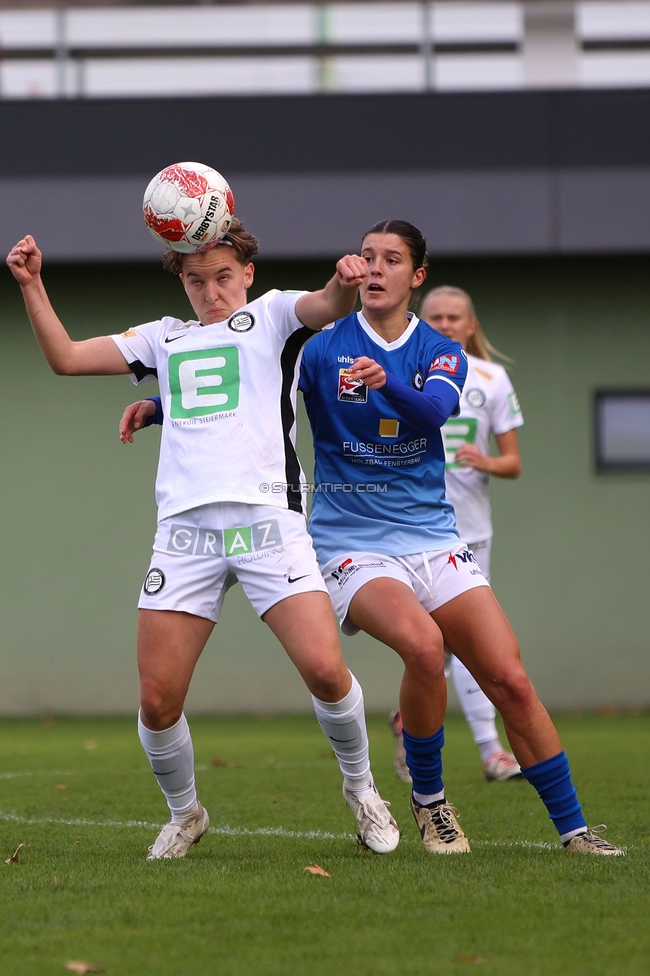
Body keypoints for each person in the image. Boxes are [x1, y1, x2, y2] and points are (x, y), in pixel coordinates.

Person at [130, 219, 623, 856]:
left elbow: (434, 414)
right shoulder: (321, 344)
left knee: (510, 679)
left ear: (416, 277)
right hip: (349, 541)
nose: (374, 268)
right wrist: (161, 405)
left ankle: (576, 831)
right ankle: (430, 801)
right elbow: (248, 387)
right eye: (367, 256)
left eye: (391, 259)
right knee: (424, 647)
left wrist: (386, 381)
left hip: (432, 536)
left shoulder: (439, 349)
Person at [5, 222, 400, 860]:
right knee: (158, 701)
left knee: (327, 671)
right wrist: (32, 284)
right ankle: (186, 813)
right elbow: (68, 359)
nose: (211, 291)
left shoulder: (273, 318)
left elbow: (326, 305)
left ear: (245, 273)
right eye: (196, 280)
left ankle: (362, 788)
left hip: (269, 521)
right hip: (186, 532)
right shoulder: (163, 337)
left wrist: (343, 281)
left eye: (222, 277)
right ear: (182, 283)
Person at [389, 285, 524, 784]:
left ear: (470, 326)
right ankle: (482, 748)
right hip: (411, 527)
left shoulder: (491, 378)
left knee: (458, 643)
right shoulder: (399, 368)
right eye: (436, 317)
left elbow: (513, 462)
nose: (445, 324)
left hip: (470, 528)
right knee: (431, 644)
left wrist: (485, 460)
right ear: (421, 321)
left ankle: (476, 747)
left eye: (454, 318)